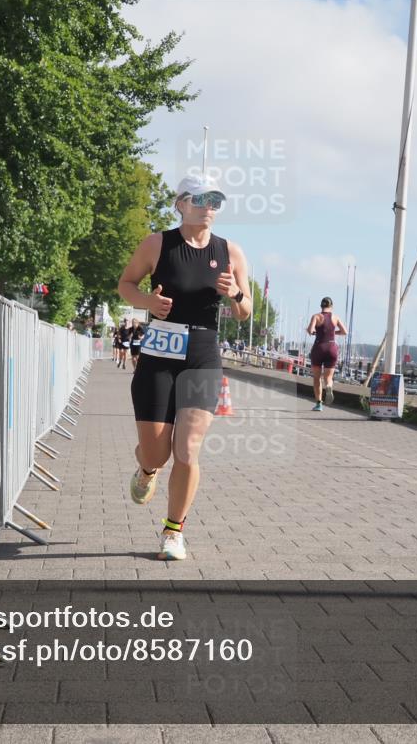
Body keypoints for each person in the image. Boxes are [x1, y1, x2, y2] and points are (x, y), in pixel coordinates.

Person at [117, 175, 251, 560]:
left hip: (202, 355)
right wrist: (147, 301)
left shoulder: (232, 252)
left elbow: (246, 312)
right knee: (157, 453)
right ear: (181, 203)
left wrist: (235, 294)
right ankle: (146, 470)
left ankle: (173, 532)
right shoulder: (157, 244)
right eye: (201, 199)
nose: (209, 206)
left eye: (216, 201)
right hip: (159, 353)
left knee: (188, 449)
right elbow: (125, 284)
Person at [306, 296, 348, 411]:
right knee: (328, 377)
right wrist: (334, 333)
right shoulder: (335, 317)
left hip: (319, 347)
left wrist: (313, 331)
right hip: (331, 347)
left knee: (317, 378)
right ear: (331, 306)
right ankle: (329, 386)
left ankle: (319, 404)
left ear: (321, 306)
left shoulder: (316, 316)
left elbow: (310, 330)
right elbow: (345, 331)